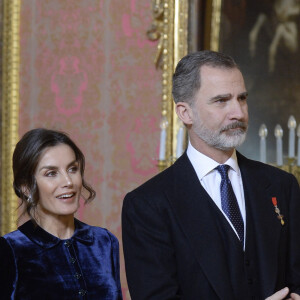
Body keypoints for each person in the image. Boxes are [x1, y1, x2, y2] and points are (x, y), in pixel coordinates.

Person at [122, 50, 300, 299]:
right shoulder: (148, 205)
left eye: (242, 98)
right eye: (221, 101)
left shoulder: (283, 186)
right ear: (185, 113)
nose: (238, 112)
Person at [0, 128, 122, 299]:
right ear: (26, 187)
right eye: (51, 173)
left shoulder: (104, 241)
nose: (68, 181)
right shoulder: (10, 249)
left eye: (72, 169)